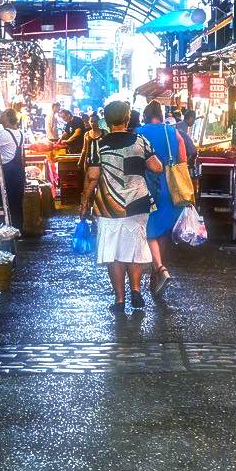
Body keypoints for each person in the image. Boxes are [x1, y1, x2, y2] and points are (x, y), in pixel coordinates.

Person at [80, 100, 164, 312]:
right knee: (133, 247)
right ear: (128, 118)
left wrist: (84, 203)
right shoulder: (140, 141)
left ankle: (119, 300)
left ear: (106, 120)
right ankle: (136, 289)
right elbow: (157, 167)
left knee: (114, 252)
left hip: (109, 206)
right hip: (137, 202)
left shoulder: (99, 145)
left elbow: (92, 177)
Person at [137, 101, 190, 297]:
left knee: (149, 231)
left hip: (147, 186)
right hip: (170, 188)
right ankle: (154, 275)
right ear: (161, 114)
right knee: (163, 232)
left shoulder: (138, 132)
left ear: (145, 115)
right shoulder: (173, 132)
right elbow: (183, 158)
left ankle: (159, 269)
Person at [0, 109, 26, 230]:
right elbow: (22, 156)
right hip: (18, 173)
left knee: (1, 203)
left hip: (8, 174)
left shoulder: (3, 134)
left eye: (2, 115)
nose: (0, 116)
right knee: (16, 203)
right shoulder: (20, 133)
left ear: (7, 118)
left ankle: (3, 231)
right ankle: (18, 230)